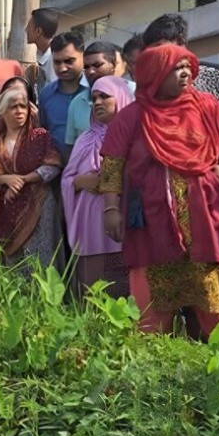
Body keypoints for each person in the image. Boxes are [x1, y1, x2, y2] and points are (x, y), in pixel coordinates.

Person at [100, 43, 219, 339]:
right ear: (154, 74)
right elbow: (112, 165)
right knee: (151, 294)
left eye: (187, 67)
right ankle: (153, 361)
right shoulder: (133, 116)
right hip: (151, 220)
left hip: (202, 215)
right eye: (176, 68)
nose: (185, 73)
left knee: (210, 289)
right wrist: (111, 208)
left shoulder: (206, 107)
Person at [61, 76, 134, 298]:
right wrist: (80, 181)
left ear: (120, 98)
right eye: (94, 98)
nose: (98, 102)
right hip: (89, 225)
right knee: (92, 290)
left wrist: (109, 182)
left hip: (122, 218)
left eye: (104, 96)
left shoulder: (135, 136)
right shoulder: (84, 139)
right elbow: (67, 178)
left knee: (122, 290)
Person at [0, 88, 62, 267]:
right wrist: (7, 180)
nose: (19, 111)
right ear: (2, 111)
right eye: (13, 107)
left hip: (39, 207)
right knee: (14, 265)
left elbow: (52, 167)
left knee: (42, 259)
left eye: (23, 106)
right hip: (5, 211)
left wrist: (22, 180)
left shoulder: (39, 136)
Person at [65, 41, 122, 149]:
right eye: (86, 67)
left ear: (113, 64)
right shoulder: (77, 103)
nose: (91, 71)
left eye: (97, 65)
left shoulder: (134, 94)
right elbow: (71, 148)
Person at [38, 31, 85, 153]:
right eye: (57, 62)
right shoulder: (46, 95)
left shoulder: (97, 92)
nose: (62, 68)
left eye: (69, 61)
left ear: (83, 56)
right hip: (58, 168)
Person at [25, 7, 61, 89]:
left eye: (29, 26)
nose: (26, 30)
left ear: (38, 31)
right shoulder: (38, 56)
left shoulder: (56, 58)